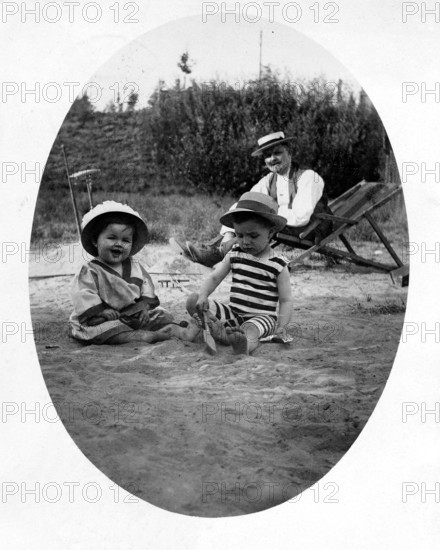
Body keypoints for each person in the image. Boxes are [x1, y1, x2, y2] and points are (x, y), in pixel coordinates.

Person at [174, 131, 332, 267]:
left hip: (310, 228)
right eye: (267, 156)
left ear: (289, 152)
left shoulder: (308, 177)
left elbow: (301, 217)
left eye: (277, 153)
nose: (272, 159)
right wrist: (231, 230)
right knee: (247, 210)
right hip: (280, 224)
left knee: (255, 218)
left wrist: (264, 215)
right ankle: (215, 249)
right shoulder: (269, 180)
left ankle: (212, 254)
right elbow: (245, 202)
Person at [69, 200, 199, 345]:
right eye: (112, 238)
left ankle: (178, 332)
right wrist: (101, 313)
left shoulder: (134, 265)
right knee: (110, 330)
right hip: (102, 319)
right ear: (95, 240)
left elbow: (146, 287)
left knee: (162, 315)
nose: (119, 244)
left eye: (125, 240)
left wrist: (143, 307)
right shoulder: (90, 270)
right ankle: (151, 336)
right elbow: (83, 294)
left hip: (131, 314)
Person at [185, 192, 293, 355]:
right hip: (233, 314)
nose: (245, 241)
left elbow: (286, 300)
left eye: (253, 236)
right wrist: (203, 296)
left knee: (250, 329)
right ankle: (221, 331)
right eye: (239, 235)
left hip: (262, 318)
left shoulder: (278, 264)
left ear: (270, 233)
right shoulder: (235, 253)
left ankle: (243, 345)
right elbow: (215, 276)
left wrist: (282, 327)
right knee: (193, 300)